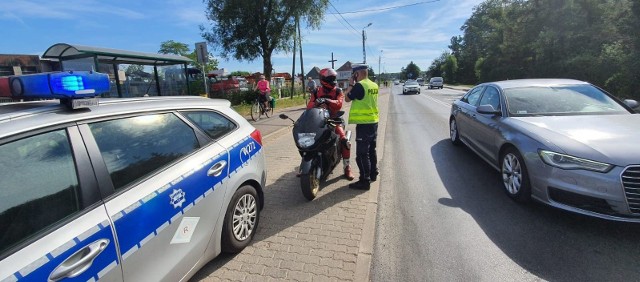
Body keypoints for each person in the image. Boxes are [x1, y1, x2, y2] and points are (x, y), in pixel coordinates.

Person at [305, 68, 355, 181]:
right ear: (323, 79)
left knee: (345, 142)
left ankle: (347, 167)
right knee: (308, 139)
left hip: (334, 119)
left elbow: (339, 104)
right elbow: (309, 106)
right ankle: (305, 166)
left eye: (334, 78)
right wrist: (315, 103)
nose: (333, 80)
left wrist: (327, 101)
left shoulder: (338, 90)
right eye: (330, 78)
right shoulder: (316, 91)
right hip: (319, 119)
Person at [344, 64, 379, 190]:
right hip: (374, 122)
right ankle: (373, 174)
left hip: (364, 125)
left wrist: (351, 85)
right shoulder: (373, 84)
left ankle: (365, 181)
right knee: (371, 151)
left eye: (354, 74)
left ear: (356, 74)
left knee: (362, 155)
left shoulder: (359, 85)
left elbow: (347, 99)